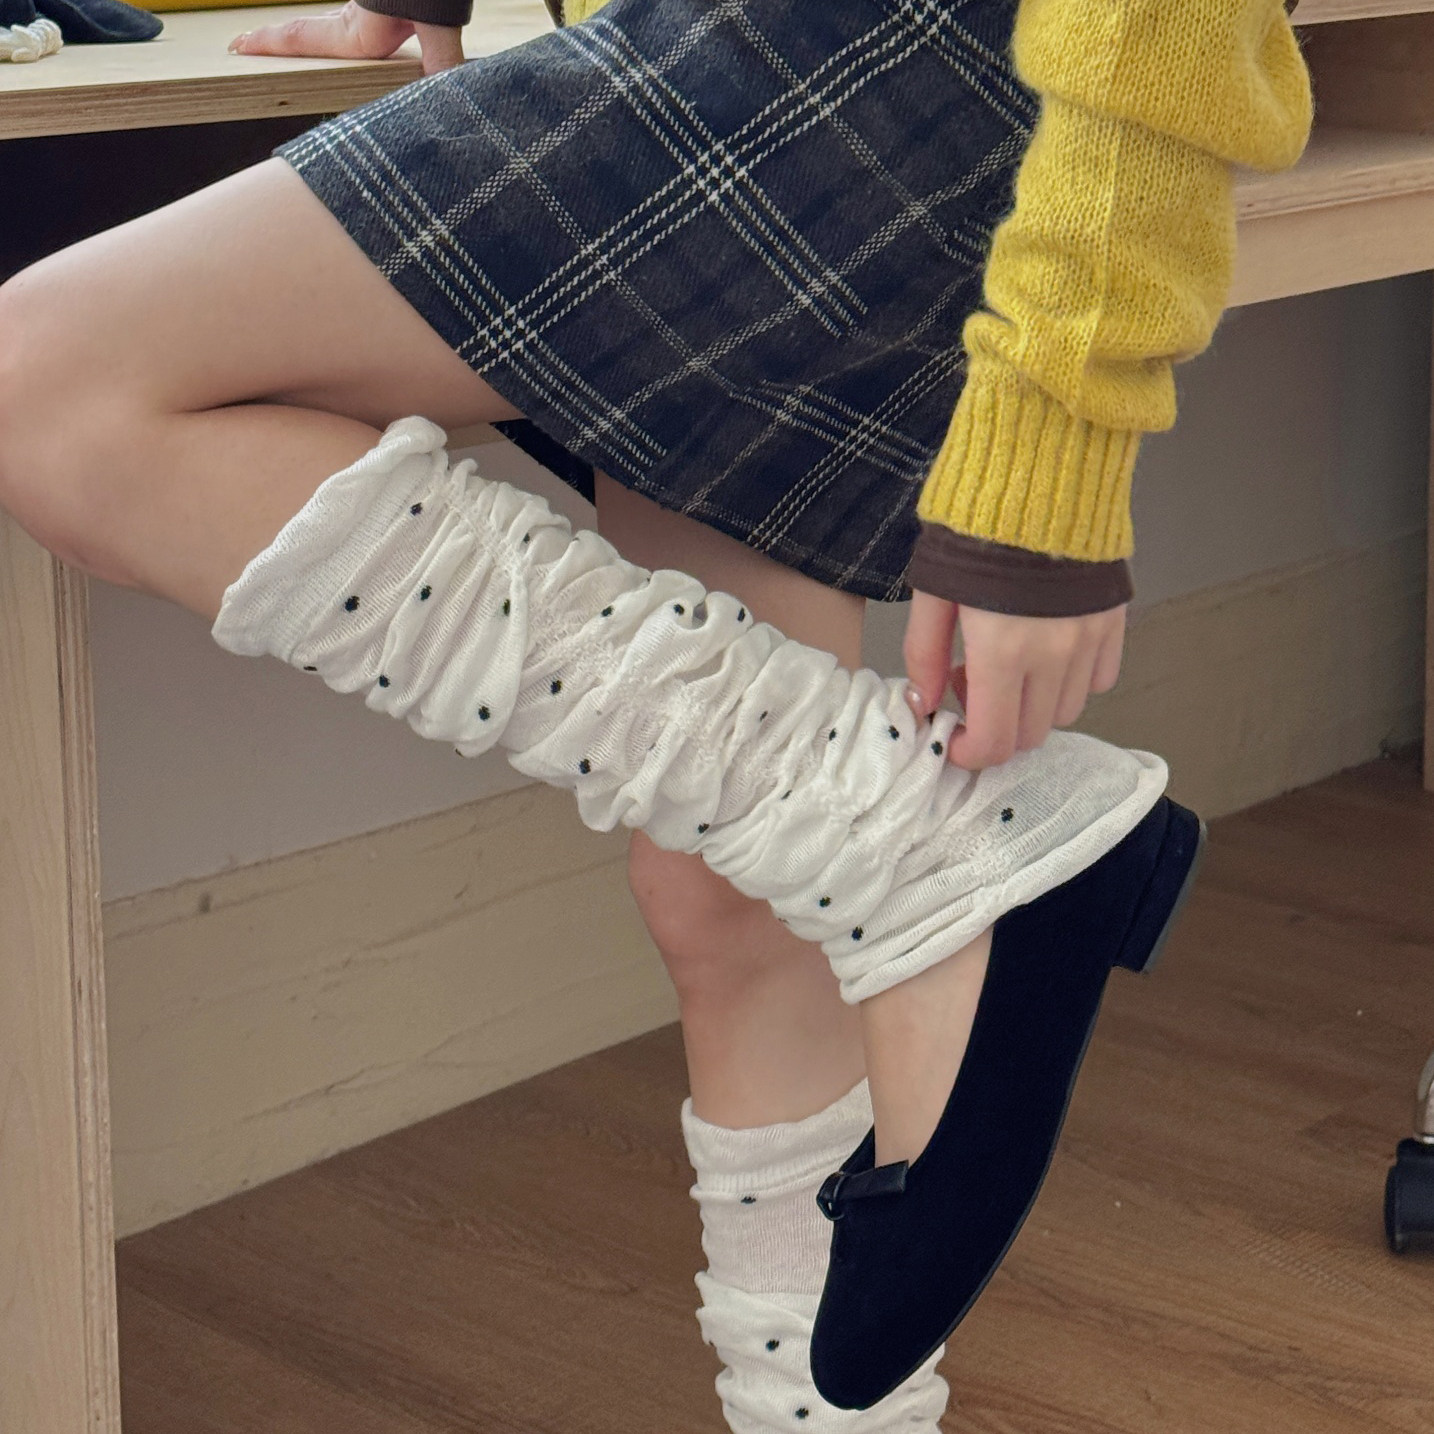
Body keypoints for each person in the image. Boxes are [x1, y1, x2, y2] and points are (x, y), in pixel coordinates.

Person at [0, 0, 1311, 1423]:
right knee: (732, 897)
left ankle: (911, 838)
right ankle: (903, 849)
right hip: (857, 70)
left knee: (48, 385)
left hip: (916, 54)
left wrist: (1062, 428)